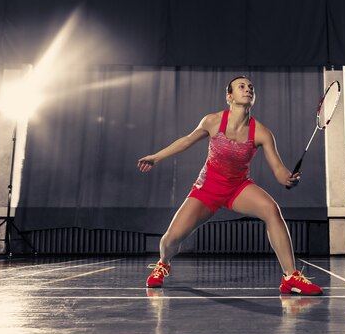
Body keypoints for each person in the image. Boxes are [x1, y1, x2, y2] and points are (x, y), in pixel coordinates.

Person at [137, 76, 323, 296]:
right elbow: (186, 141)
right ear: (229, 96)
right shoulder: (213, 121)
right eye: (241, 87)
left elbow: (279, 170)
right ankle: (163, 263)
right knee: (170, 239)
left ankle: (290, 277)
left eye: (251, 88)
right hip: (206, 189)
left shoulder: (262, 132)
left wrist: (288, 178)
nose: (247, 90)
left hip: (238, 188)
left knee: (272, 211)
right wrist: (155, 157)